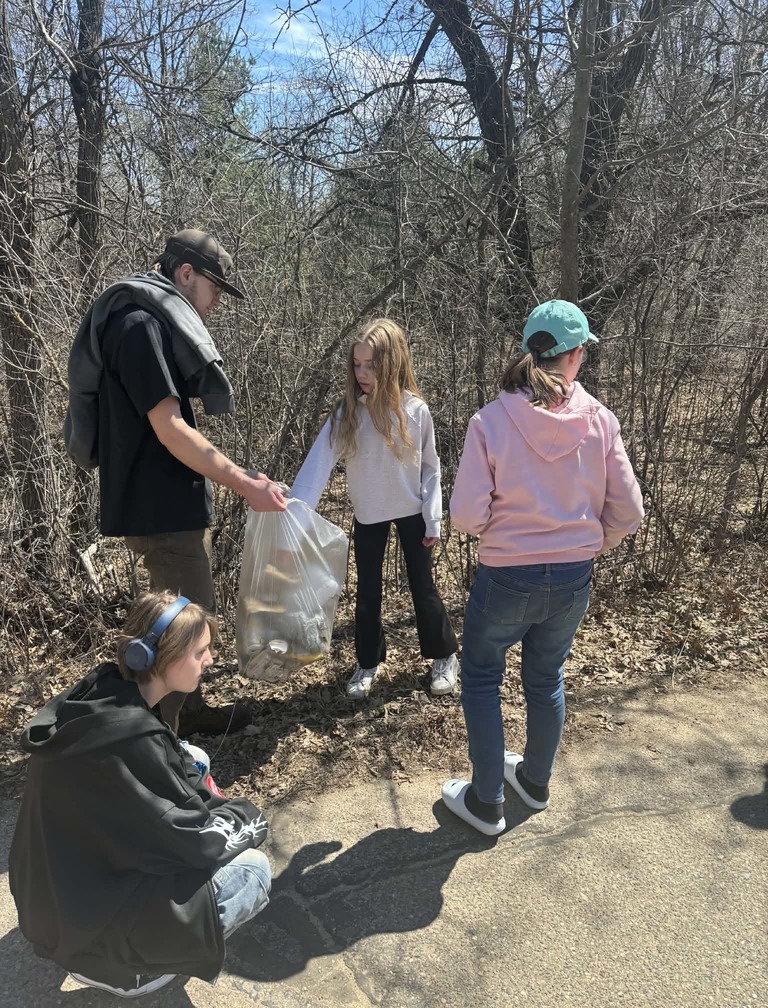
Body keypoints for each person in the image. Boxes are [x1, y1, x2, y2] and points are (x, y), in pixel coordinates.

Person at [64, 229, 287, 735]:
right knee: (184, 626)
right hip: (159, 508)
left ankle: (182, 716)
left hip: (161, 503)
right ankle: (165, 735)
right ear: (186, 274)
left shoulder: (149, 320)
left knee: (178, 624)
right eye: (213, 290)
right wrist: (243, 483)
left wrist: (243, 475)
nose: (214, 305)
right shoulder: (140, 324)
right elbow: (169, 429)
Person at [442, 300, 644, 836]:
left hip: (507, 574)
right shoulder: (600, 421)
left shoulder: (489, 421)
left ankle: (486, 803)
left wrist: (499, 528)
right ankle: (534, 781)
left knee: (483, 680)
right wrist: (594, 541)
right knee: (545, 676)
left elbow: (465, 514)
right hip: (574, 574)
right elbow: (630, 511)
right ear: (576, 357)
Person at [9, 591, 272, 999]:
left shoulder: (103, 692)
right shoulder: (131, 742)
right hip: (90, 928)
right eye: (201, 651)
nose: (210, 660)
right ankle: (125, 970)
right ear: (163, 656)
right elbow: (196, 841)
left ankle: (111, 950)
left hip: (59, 900)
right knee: (253, 869)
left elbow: (177, 772)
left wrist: (210, 800)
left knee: (194, 757)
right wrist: (248, 816)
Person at [290, 318, 458, 699]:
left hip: (412, 511)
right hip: (368, 513)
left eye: (371, 365)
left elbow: (431, 468)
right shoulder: (347, 413)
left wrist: (433, 516)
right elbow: (317, 465)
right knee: (366, 593)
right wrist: (294, 516)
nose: (362, 373)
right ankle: (367, 663)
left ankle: (445, 656)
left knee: (422, 586)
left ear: (393, 362)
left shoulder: (416, 411)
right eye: (357, 365)